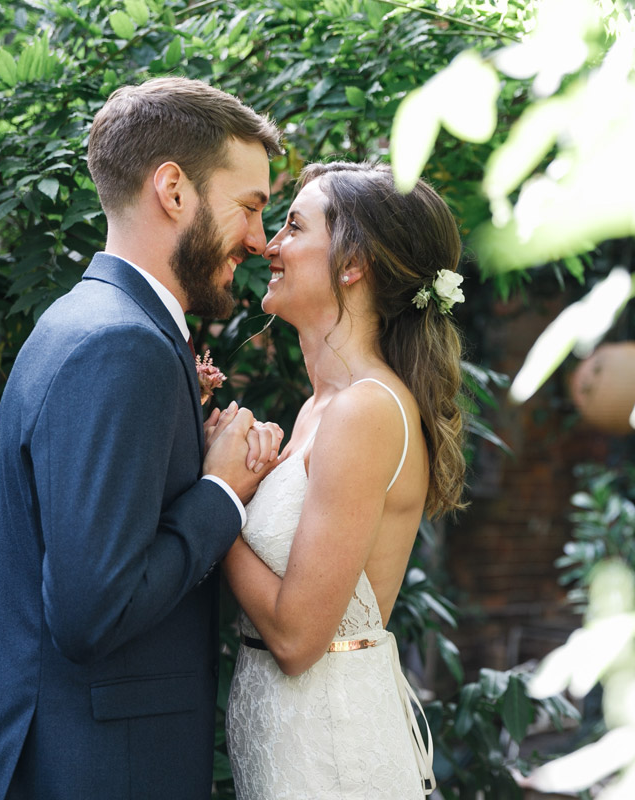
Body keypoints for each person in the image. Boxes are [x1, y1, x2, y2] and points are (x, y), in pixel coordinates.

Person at [0, 77, 285, 800]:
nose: (261, 240)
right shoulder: (120, 346)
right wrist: (222, 493)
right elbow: (91, 611)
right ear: (173, 189)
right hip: (98, 769)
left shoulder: (85, 321)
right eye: (251, 207)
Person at [220, 162, 467, 798]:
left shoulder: (366, 411)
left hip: (329, 752)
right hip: (286, 739)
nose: (270, 246)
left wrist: (212, 496)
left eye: (294, 227)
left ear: (351, 263)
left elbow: (299, 638)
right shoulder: (318, 409)